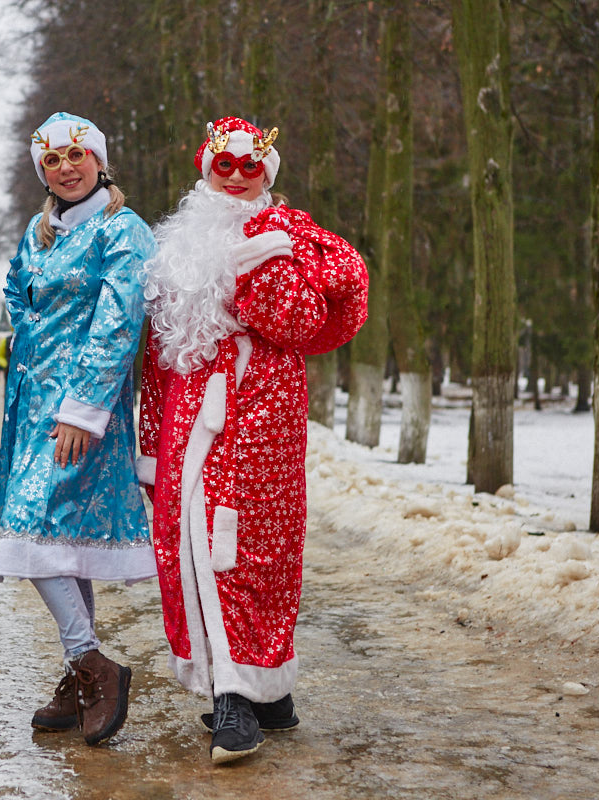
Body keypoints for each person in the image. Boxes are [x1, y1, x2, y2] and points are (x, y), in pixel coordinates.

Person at [138, 117, 369, 764]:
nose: (235, 178)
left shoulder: (291, 232)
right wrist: (151, 444)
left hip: (261, 408)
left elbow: (312, 319)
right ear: (204, 166)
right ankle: (251, 687)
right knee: (188, 545)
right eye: (224, 165)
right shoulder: (175, 241)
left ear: (266, 174)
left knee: (252, 546)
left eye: (249, 168)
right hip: (188, 415)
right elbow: (157, 356)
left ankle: (242, 692)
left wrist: (258, 268)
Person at [0, 112, 155, 746]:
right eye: (51, 160)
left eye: (75, 155)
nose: (65, 167)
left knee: (30, 531)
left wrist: (82, 410)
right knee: (56, 537)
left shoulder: (122, 230)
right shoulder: (40, 234)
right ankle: (77, 675)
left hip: (82, 413)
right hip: (30, 410)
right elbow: (21, 302)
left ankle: (93, 664)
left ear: (99, 161)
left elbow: (119, 322)